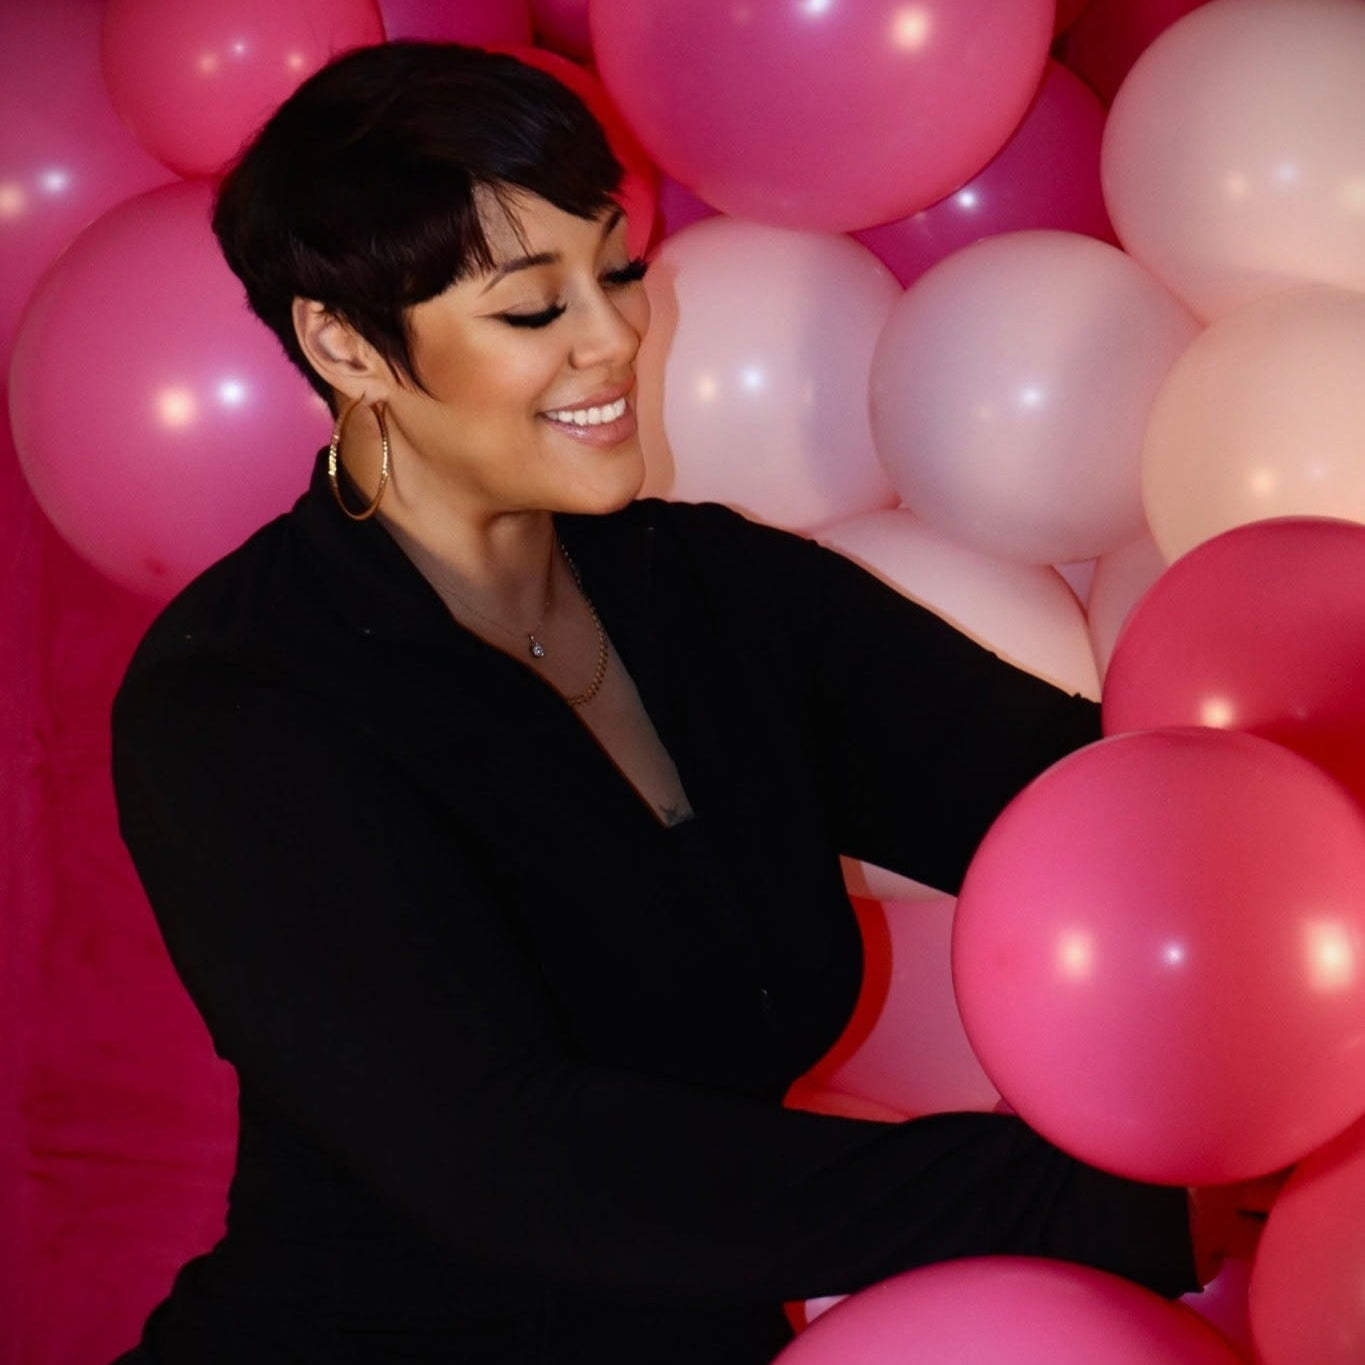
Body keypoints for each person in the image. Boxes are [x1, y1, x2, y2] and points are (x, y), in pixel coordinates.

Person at [109, 40, 1247, 1365]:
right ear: (345, 342)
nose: (615, 339)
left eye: (616, 269)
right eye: (533, 310)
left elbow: (1083, 805)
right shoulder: (242, 700)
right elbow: (515, 1156)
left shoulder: (713, 592)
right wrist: (1070, 1200)